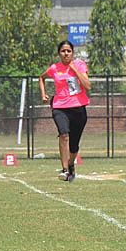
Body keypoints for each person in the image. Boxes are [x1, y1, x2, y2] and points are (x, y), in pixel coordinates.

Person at [39, 40, 91, 182]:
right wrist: (43, 94)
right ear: (59, 53)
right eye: (63, 51)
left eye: (68, 51)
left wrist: (75, 70)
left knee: (74, 145)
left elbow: (88, 86)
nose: (66, 53)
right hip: (60, 107)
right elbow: (41, 78)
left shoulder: (79, 64)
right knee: (63, 135)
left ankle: (71, 164)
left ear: (72, 53)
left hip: (78, 108)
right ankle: (64, 170)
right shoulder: (55, 68)